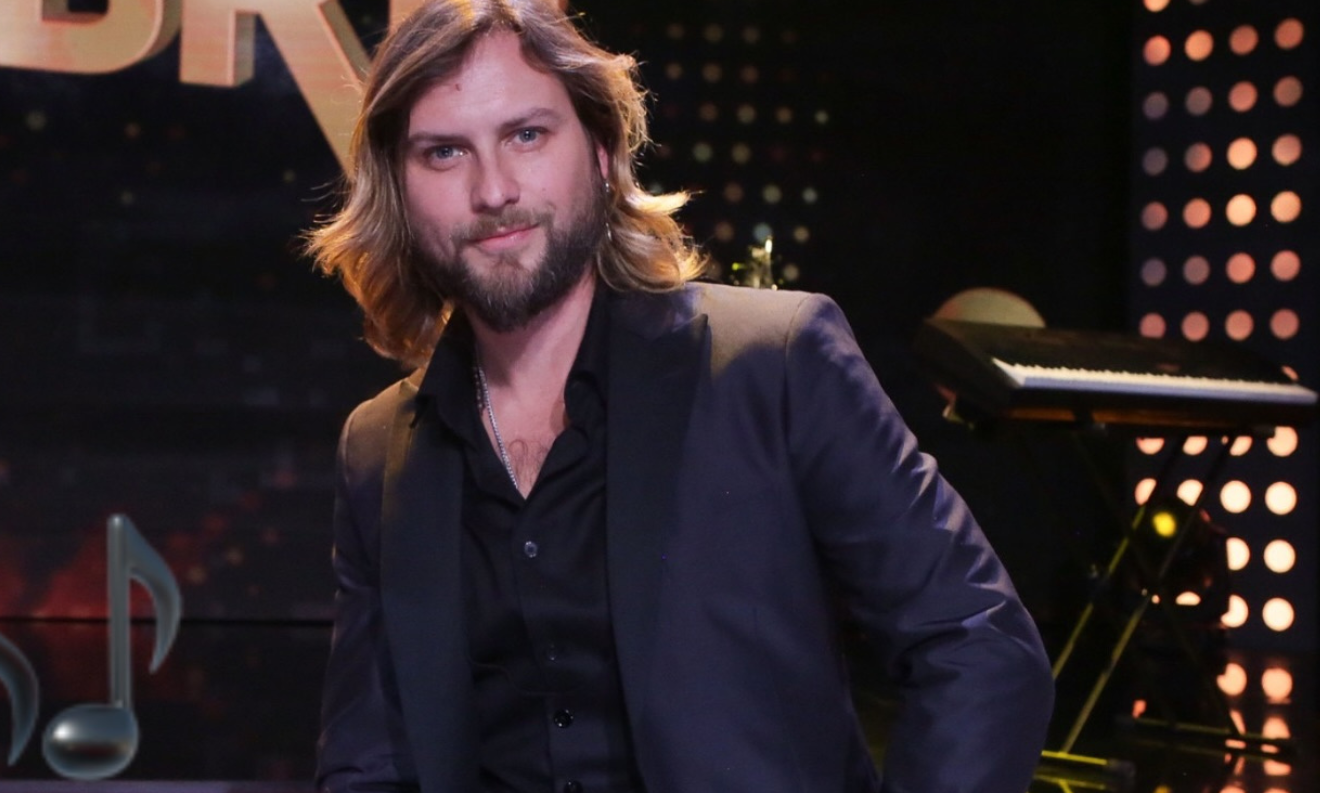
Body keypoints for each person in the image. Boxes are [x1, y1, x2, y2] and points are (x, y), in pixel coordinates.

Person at [307, 1, 1054, 791]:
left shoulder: (774, 365)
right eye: (444, 152)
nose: (493, 189)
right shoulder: (378, 449)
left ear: (600, 150)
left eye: (526, 135)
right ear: (398, 189)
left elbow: (979, 645)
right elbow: (369, 761)